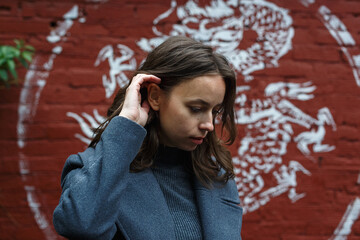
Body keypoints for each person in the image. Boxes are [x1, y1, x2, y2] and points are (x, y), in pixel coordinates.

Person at [53, 36, 243, 240]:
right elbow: (82, 225)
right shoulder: (96, 172)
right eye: (196, 108)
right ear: (155, 97)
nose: (209, 124)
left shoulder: (215, 176)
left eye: (215, 111)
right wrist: (127, 124)